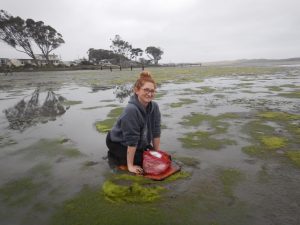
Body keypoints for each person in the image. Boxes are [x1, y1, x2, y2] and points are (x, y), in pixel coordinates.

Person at [106, 71, 161, 175]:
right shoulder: (131, 110)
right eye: (146, 90)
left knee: (151, 158)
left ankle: (131, 157)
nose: (149, 94)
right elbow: (132, 140)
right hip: (117, 141)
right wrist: (130, 166)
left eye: (152, 91)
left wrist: (156, 155)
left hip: (139, 142)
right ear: (136, 90)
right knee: (141, 161)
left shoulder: (155, 107)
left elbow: (156, 132)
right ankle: (112, 156)